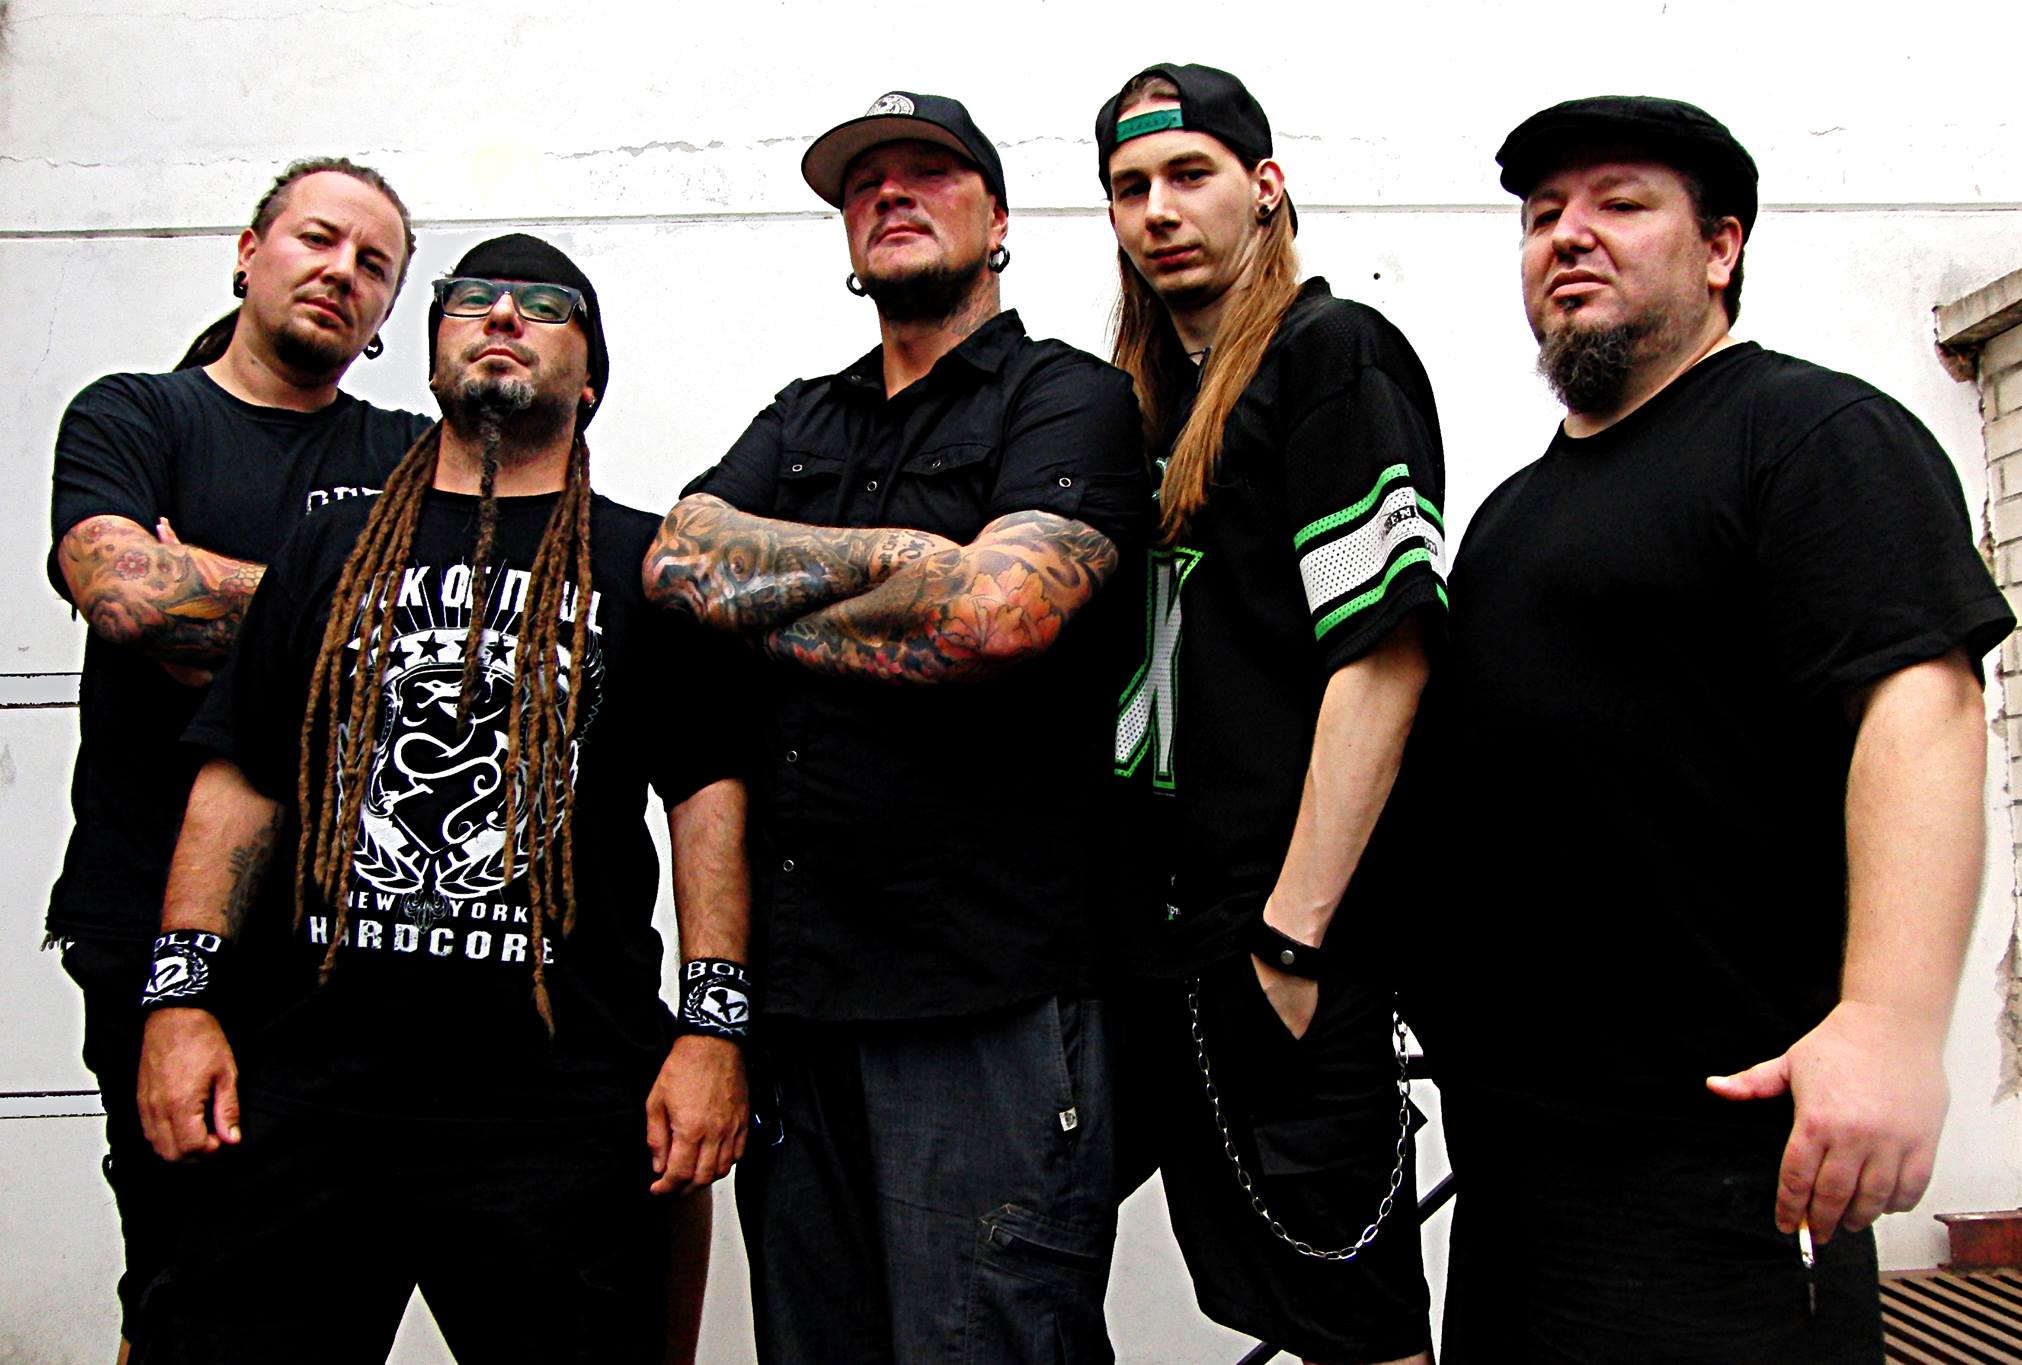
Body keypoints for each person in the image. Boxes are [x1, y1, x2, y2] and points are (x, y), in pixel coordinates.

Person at [1427, 96, 2015, 1363]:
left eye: (1619, 204)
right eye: (1541, 215)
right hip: (1520, 1163)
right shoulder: (1511, 514)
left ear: (1718, 248)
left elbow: (1921, 705)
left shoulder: (1809, 435)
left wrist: (1890, 1023)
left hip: (1716, 1160)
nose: (1566, 235)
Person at [131, 233, 749, 1364]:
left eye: (544, 305)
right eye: (471, 300)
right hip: (316, 1084)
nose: (502, 316)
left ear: (590, 379)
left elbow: (705, 796)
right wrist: (179, 999)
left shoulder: (640, 563)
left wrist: (714, 1028)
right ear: (428, 363)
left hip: (560, 1098)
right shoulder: (329, 549)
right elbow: (242, 778)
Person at [642, 90, 1148, 1363]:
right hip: (799, 1006)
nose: (890, 193)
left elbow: (996, 615)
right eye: (864, 182)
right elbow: (677, 563)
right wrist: (913, 569)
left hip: (983, 1005)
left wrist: (772, 597)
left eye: (928, 170)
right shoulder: (800, 416)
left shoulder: (1066, 398)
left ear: (998, 220)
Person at [44, 156, 428, 1363]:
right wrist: (342, 618)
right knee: (179, 1278)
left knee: (328, 1291)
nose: (341, 272)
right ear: (249, 252)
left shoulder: (414, 453)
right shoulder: (135, 416)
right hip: (149, 923)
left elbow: (448, 649)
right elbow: (128, 593)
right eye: (318, 239)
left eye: (374, 264)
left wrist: (216, 600)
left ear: (385, 312)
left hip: (349, 946)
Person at [1094, 63, 1443, 1365]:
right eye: (1129, 186)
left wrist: (1291, 943)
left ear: (1264, 185)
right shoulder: (1136, 400)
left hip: (1280, 934)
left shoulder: (1327, 353)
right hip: (1158, 941)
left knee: (1359, 1326)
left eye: (1189, 174)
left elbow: (1385, 656)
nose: (1158, 209)